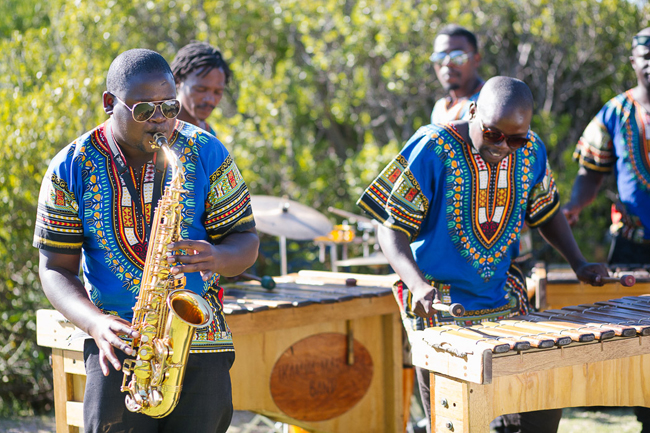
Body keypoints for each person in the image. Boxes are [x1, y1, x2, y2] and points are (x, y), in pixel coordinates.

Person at [357, 76, 610, 433]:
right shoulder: (433, 146)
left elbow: (546, 212)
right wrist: (416, 285)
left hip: (503, 299)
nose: (504, 146)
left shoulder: (532, 150)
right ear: (473, 110)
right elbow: (390, 225)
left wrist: (579, 263)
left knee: (538, 410)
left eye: (516, 137)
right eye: (493, 134)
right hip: (439, 304)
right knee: (455, 421)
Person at [34, 48, 259, 433]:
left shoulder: (206, 151)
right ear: (110, 103)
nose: (161, 121)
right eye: (144, 111)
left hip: (201, 341)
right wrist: (96, 325)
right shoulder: (68, 167)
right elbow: (55, 268)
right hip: (118, 345)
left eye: (170, 108)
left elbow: (246, 241)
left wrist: (217, 258)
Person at [563, 27, 650, 431]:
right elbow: (590, 173)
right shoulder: (615, 112)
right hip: (631, 245)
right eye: (644, 55)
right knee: (638, 341)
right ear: (632, 61)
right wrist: (574, 207)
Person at [171, 41, 232, 135]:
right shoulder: (157, 130)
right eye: (201, 89)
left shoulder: (209, 136)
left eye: (217, 92)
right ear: (178, 81)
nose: (210, 100)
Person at [429, 24, 484, 123]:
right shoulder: (440, 108)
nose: (447, 63)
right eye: (440, 57)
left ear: (476, 59)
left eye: (458, 56)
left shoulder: (489, 102)